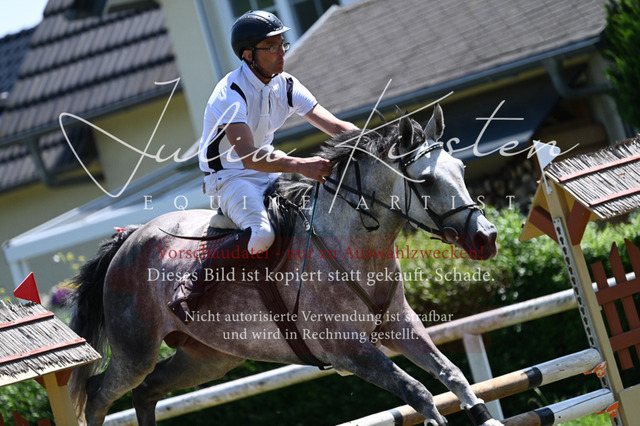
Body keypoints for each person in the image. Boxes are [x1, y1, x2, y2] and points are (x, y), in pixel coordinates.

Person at [169, 10, 358, 322]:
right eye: (271, 47)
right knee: (261, 235)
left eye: (282, 44)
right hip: (229, 177)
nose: (281, 52)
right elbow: (248, 156)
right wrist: (301, 165)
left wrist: (377, 141)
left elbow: (336, 126)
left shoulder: (286, 84)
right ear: (248, 55)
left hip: (268, 169)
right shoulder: (229, 93)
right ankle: (191, 285)